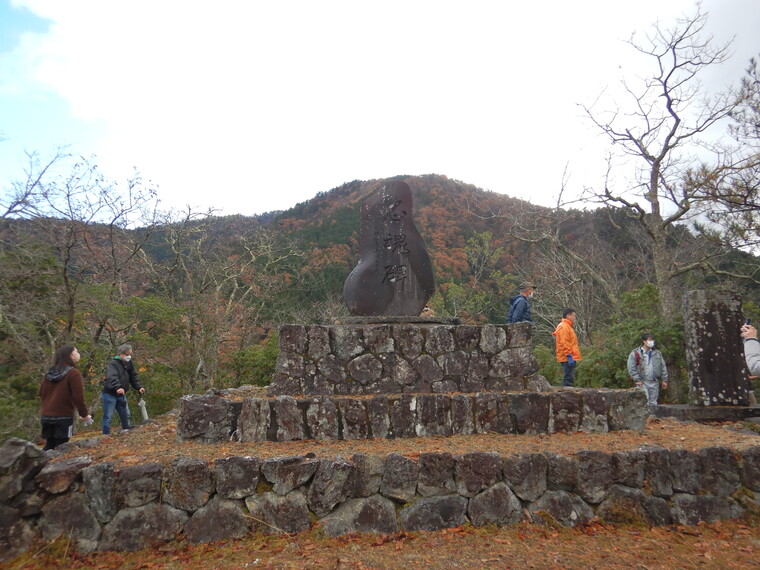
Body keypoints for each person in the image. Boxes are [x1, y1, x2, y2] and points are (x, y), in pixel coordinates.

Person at [39, 345, 91, 450]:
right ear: (70, 355)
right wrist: (84, 415)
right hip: (64, 417)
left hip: (46, 416)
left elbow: (41, 392)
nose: (78, 354)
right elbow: (78, 398)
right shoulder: (73, 373)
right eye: (76, 351)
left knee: (49, 445)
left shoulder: (49, 372)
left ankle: (41, 465)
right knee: (62, 446)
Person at [102, 344, 144, 434]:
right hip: (110, 394)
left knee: (126, 414)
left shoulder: (129, 363)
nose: (129, 356)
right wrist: (117, 387)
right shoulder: (112, 364)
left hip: (122, 394)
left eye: (130, 354)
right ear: (121, 354)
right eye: (127, 354)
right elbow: (112, 377)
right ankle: (105, 436)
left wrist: (138, 387)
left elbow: (133, 376)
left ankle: (126, 431)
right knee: (108, 416)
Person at [627, 333, 668, 405]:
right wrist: (637, 379)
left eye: (652, 340)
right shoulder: (635, 353)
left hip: (654, 381)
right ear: (644, 341)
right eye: (649, 340)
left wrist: (664, 380)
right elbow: (631, 368)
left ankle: (653, 416)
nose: (651, 341)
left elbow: (663, 367)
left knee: (653, 403)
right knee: (644, 403)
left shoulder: (657, 353)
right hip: (642, 382)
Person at [552, 308, 581, 386]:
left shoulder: (567, 326)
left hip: (568, 355)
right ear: (568, 316)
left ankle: (567, 392)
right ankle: (566, 394)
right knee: (568, 377)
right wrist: (569, 355)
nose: (574, 317)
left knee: (569, 376)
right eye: (573, 315)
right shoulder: (564, 327)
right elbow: (565, 342)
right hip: (566, 356)